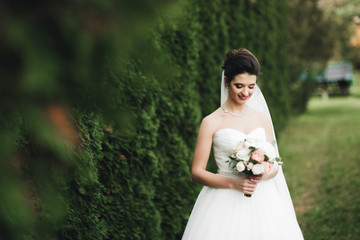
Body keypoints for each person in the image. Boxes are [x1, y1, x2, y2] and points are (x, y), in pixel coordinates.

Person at [181, 49, 303, 240]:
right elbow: (197, 172)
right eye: (239, 85)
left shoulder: (262, 119)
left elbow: (275, 165)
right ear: (226, 81)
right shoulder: (211, 122)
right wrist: (233, 183)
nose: (246, 92)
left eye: (251, 86)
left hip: (263, 199)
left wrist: (263, 171)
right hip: (223, 200)